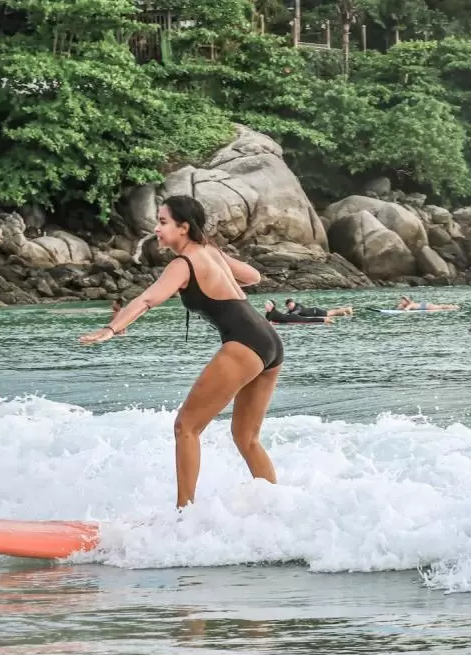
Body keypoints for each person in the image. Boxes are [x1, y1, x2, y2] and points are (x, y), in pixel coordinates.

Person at [79, 195, 284, 509]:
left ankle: (183, 514)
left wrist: (111, 329)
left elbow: (147, 300)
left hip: (244, 342)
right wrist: (220, 270)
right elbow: (253, 276)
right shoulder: (210, 251)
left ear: (184, 227)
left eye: (163, 222)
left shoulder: (183, 263)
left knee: (185, 427)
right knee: (246, 438)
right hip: (268, 340)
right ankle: (277, 507)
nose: (157, 230)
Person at [265, 300, 332, 325]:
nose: (265, 305)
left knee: (307, 320)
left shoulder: (273, 313)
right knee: (307, 320)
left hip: (291, 317)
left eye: (267, 304)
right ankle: (324, 320)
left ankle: (324, 319)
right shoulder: (269, 313)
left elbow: (266, 322)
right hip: (288, 318)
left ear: (271, 306)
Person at [285, 298, 353, 318]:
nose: (290, 307)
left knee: (332, 312)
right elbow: (287, 314)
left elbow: (295, 313)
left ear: (293, 303)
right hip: (315, 313)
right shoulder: (291, 310)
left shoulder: (297, 307)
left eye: (290, 305)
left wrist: (288, 316)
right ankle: (343, 313)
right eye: (288, 306)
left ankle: (347, 309)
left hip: (316, 312)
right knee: (333, 314)